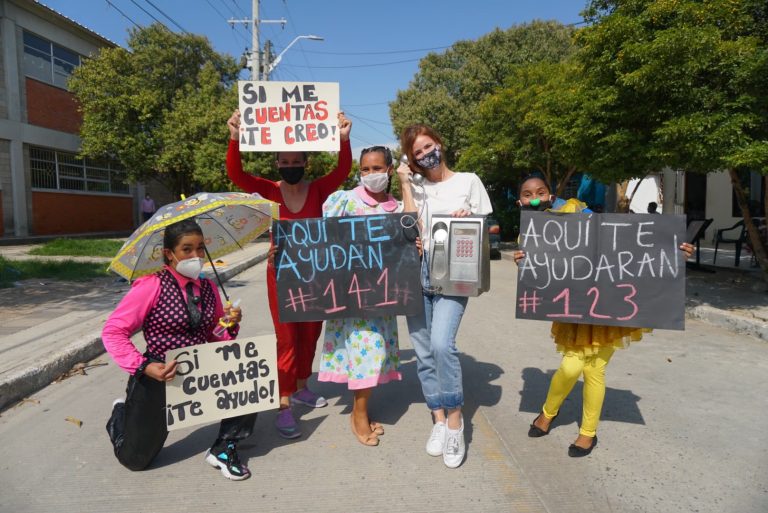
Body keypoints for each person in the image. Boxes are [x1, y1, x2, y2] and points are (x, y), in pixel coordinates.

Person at [513, 174, 693, 457]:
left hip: (607, 303)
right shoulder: (528, 233)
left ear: (550, 193)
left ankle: (587, 432)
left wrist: (671, 251)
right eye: (527, 193)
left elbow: (617, 238)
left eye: (540, 191)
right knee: (572, 367)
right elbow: (538, 278)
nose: (534, 197)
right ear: (520, 200)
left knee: (594, 369)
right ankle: (549, 412)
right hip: (572, 308)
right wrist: (522, 264)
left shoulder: (575, 208)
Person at [226, 109, 353, 439]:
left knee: (310, 334)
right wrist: (235, 136)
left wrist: (343, 139)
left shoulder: (320, 189)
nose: (291, 165)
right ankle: (283, 404)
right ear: (277, 164)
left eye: (296, 160)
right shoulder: (268, 190)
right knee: (287, 338)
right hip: (280, 274)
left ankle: (301, 386)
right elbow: (236, 173)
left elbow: (342, 170)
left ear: (306, 163)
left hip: (316, 275)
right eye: (285, 161)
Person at [102, 219, 254, 480]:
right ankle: (121, 414)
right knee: (135, 460)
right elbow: (113, 331)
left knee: (249, 376)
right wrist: (144, 366)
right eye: (186, 249)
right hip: (160, 373)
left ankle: (224, 448)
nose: (195, 256)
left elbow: (214, 335)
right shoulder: (151, 286)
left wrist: (228, 325)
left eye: (200, 248)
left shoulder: (208, 287)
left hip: (199, 369)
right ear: (169, 254)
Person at [396, 124, 492, 468]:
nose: (424, 155)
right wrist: (406, 183)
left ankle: (455, 420)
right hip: (417, 268)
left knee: (441, 344)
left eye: (427, 147)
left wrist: (471, 218)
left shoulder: (468, 181)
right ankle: (436, 418)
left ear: (439, 143)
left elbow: (487, 229)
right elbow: (407, 225)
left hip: (455, 272)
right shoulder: (416, 188)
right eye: (416, 153)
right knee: (422, 348)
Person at [319, 146, 403, 446]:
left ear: (389, 170)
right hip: (351, 296)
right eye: (365, 169)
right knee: (368, 351)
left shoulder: (398, 207)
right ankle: (359, 415)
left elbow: (406, 244)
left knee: (373, 354)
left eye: (377, 168)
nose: (371, 175)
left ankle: (362, 410)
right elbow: (321, 236)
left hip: (382, 297)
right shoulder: (344, 200)